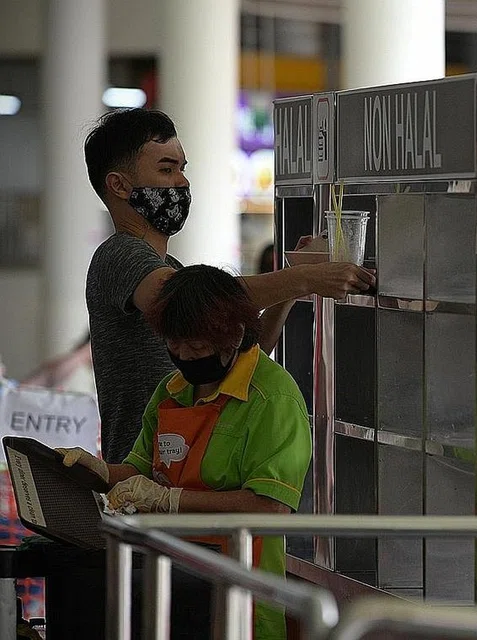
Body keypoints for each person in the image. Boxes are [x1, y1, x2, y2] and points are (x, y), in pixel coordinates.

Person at [83, 108, 375, 463]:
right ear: (119, 185)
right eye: (166, 170)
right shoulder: (119, 255)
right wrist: (304, 277)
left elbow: (243, 352)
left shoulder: (169, 268)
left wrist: (295, 285)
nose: (182, 182)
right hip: (146, 473)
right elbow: (192, 301)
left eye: (182, 169)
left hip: (188, 470)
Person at [59, 265, 311, 639]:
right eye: (173, 345)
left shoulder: (273, 399)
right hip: (170, 580)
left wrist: (170, 500)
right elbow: (140, 469)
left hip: (240, 590)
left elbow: (270, 507)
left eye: (195, 347)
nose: (182, 356)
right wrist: (100, 471)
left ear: (234, 335)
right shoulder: (171, 390)